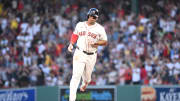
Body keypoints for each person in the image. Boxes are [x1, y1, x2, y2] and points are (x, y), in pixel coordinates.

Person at [67, 8, 108, 101]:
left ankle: (85, 83)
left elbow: (105, 42)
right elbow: (75, 35)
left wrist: (96, 43)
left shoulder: (100, 29)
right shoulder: (80, 25)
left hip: (92, 55)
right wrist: (71, 44)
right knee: (76, 76)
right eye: (91, 16)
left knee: (87, 79)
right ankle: (71, 99)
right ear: (88, 15)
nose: (93, 18)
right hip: (79, 53)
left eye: (95, 17)